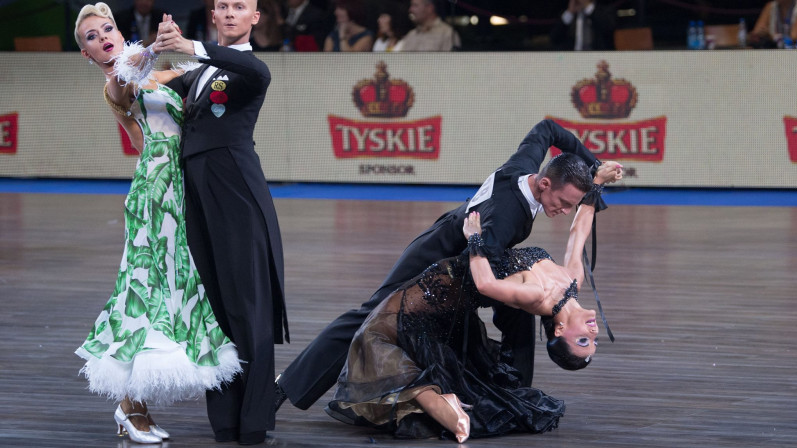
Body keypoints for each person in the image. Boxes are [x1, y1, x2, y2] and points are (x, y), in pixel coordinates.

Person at [276, 119, 623, 413]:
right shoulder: (507, 217)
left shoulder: (524, 167)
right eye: (562, 203)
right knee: (370, 315)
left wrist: (594, 169)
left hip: (460, 244)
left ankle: (513, 387)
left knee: (519, 310)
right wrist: (527, 293)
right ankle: (286, 386)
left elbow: (548, 129)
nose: (563, 212)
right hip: (442, 261)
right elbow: (486, 271)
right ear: (545, 183)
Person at [73, 2, 240, 444]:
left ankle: (133, 406)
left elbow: (187, 71)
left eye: (106, 28)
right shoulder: (115, 83)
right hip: (153, 194)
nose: (102, 37)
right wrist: (155, 42)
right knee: (146, 291)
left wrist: (183, 46)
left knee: (168, 289)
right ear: (86, 54)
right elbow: (127, 82)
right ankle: (131, 409)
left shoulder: (149, 75)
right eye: (92, 36)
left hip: (179, 190)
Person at [328, 191, 610, 441]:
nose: (594, 332)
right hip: (448, 292)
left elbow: (486, 284)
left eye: (584, 341)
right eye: (593, 341)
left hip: (442, 286)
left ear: (559, 331)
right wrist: (595, 184)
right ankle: (436, 398)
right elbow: (579, 231)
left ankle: (435, 401)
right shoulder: (572, 280)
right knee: (391, 336)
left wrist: (474, 237)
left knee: (372, 336)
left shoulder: (538, 295)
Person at [153, 0, 289, 444]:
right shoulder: (195, 72)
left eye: (241, 7)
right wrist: (130, 57)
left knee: (247, 304)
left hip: (236, 194)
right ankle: (226, 418)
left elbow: (242, 66)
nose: (231, 13)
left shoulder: (251, 70)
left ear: (255, 17)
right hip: (198, 193)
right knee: (213, 308)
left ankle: (254, 421)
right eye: (223, 6)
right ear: (213, 14)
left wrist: (189, 45)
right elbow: (148, 86)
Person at [550, 0, 616, 51]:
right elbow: (554, 38)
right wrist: (570, 12)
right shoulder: (567, 14)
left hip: (598, 58)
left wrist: (588, 7)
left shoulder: (605, 9)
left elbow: (608, 28)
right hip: (572, 60)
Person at [396, 0, 461, 51]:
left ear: (429, 8)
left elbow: (449, 64)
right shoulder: (411, 34)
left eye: (415, 5)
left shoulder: (447, 33)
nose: (410, 9)